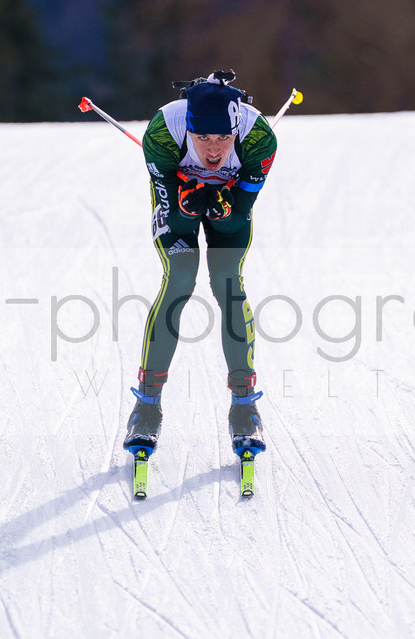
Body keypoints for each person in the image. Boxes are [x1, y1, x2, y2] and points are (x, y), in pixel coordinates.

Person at [123, 70, 278, 460]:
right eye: (203, 139)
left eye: (224, 138)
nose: (214, 151)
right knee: (180, 279)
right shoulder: (162, 133)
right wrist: (189, 204)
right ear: (188, 129)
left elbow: (238, 217)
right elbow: (173, 218)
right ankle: (147, 407)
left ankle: (245, 407)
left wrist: (222, 206)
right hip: (178, 208)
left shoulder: (259, 138)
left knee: (228, 284)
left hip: (229, 213)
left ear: (236, 127)